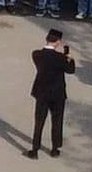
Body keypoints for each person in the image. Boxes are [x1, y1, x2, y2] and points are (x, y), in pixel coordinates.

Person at [27, 28, 75, 159]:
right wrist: (69, 59)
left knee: (39, 121)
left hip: (42, 92)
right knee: (57, 120)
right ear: (58, 42)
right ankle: (55, 149)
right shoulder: (60, 58)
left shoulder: (36, 54)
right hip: (57, 93)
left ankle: (35, 149)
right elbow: (70, 70)